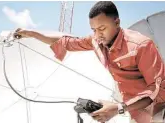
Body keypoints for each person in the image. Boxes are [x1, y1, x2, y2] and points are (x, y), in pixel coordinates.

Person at [14, 1, 165, 123]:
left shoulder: (141, 46)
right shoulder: (96, 41)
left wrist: (117, 108)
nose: (98, 34)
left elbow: (155, 91)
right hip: (134, 109)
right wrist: (33, 34)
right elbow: (65, 41)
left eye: (102, 28)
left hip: (159, 109)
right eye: (93, 30)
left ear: (117, 22)